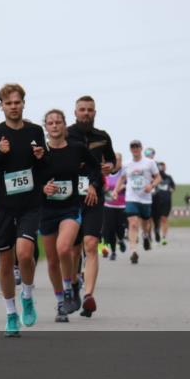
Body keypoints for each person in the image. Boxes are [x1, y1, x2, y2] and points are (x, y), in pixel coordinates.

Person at [0, 84, 46, 337]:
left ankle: (26, 295)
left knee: (25, 254)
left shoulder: (36, 131)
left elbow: (44, 167)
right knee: (5, 262)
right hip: (2, 207)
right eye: (9, 103)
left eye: (17, 102)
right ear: (1, 106)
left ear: (24, 103)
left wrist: (41, 157)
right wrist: (0, 155)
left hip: (29, 204)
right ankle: (11, 313)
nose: (13, 107)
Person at [39, 109, 102, 322]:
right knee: (52, 260)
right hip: (46, 210)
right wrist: (42, 188)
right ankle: (60, 302)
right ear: (45, 127)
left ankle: (70, 288)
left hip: (70, 208)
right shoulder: (40, 152)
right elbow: (31, 177)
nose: (55, 125)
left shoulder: (77, 149)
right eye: (51, 122)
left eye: (58, 122)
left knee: (64, 247)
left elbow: (94, 168)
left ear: (65, 125)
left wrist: (93, 184)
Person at [66, 95, 117, 318]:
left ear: (95, 113)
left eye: (90, 110)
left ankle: (88, 296)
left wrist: (110, 167)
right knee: (74, 249)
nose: (86, 113)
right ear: (75, 112)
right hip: (69, 197)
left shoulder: (102, 137)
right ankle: (75, 282)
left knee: (91, 243)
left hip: (95, 197)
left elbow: (113, 162)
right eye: (82, 109)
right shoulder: (67, 134)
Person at [113, 140, 161, 264]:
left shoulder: (149, 163)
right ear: (130, 149)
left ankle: (145, 235)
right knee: (133, 223)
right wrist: (115, 190)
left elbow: (158, 177)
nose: (135, 149)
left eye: (137, 146)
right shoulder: (127, 164)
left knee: (145, 222)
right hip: (131, 198)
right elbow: (122, 179)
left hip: (145, 198)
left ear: (141, 148)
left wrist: (152, 185)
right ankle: (133, 251)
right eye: (132, 147)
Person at [102, 157, 127, 261]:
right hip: (108, 205)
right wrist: (105, 189)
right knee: (110, 229)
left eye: (118, 160)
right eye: (114, 160)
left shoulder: (124, 172)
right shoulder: (106, 172)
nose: (116, 162)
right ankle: (113, 252)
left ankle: (121, 239)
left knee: (120, 228)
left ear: (121, 161)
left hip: (122, 205)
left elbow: (129, 183)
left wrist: (121, 187)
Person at [152, 161, 176, 244]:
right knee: (155, 219)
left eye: (162, 167)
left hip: (166, 201)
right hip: (156, 200)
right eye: (159, 167)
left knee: (164, 218)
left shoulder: (168, 177)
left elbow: (173, 187)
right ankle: (155, 232)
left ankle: (164, 237)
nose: (161, 168)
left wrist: (171, 190)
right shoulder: (154, 177)